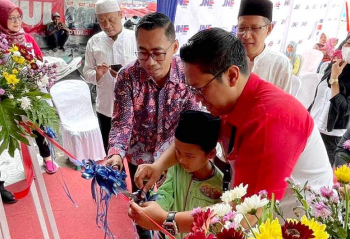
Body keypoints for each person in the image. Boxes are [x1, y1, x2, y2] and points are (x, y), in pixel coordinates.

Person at [128, 28, 333, 235]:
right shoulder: (230, 101)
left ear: (232, 75)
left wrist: (167, 219)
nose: (197, 99)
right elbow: (192, 137)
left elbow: (248, 214)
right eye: (192, 90)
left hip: (295, 226)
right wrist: (158, 166)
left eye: (200, 89)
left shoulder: (271, 120)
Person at [106, 13, 201, 191]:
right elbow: (122, 124)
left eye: (158, 53)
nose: (150, 62)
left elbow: (192, 123)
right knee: (141, 205)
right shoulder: (127, 76)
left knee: (170, 208)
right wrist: (116, 153)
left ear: (174, 47)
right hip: (138, 155)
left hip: (174, 154)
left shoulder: (188, 74)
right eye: (142, 52)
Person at [0, 0, 57, 203]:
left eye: (19, 17)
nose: (16, 21)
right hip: (5, 99)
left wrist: (38, 69)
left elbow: (40, 60)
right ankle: (1, 183)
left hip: (28, 93)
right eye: (11, 18)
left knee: (38, 125)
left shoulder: (27, 38)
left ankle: (47, 159)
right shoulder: (0, 40)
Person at [153, 110, 223, 238]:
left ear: (211, 154)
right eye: (178, 152)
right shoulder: (175, 168)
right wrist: (153, 206)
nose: (181, 160)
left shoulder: (220, 184)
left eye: (189, 155)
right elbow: (166, 193)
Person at [83, 0, 137, 153]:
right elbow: (87, 72)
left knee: (135, 151)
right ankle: (114, 177)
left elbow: (147, 71)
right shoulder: (93, 42)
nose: (107, 25)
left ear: (121, 14)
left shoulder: (135, 39)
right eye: (102, 21)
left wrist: (125, 75)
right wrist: (97, 75)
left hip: (134, 106)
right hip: (106, 107)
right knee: (109, 149)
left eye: (111, 19)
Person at [236, 0, 292, 93]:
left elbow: (283, 104)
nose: (246, 35)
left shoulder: (280, 64)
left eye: (255, 28)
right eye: (242, 28)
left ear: (269, 29)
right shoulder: (225, 58)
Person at [309, 36, 350, 167]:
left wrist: (334, 78)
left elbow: (344, 109)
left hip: (330, 135)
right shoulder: (334, 65)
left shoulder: (337, 72)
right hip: (311, 126)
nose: (348, 48)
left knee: (319, 175)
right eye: (348, 44)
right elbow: (318, 98)